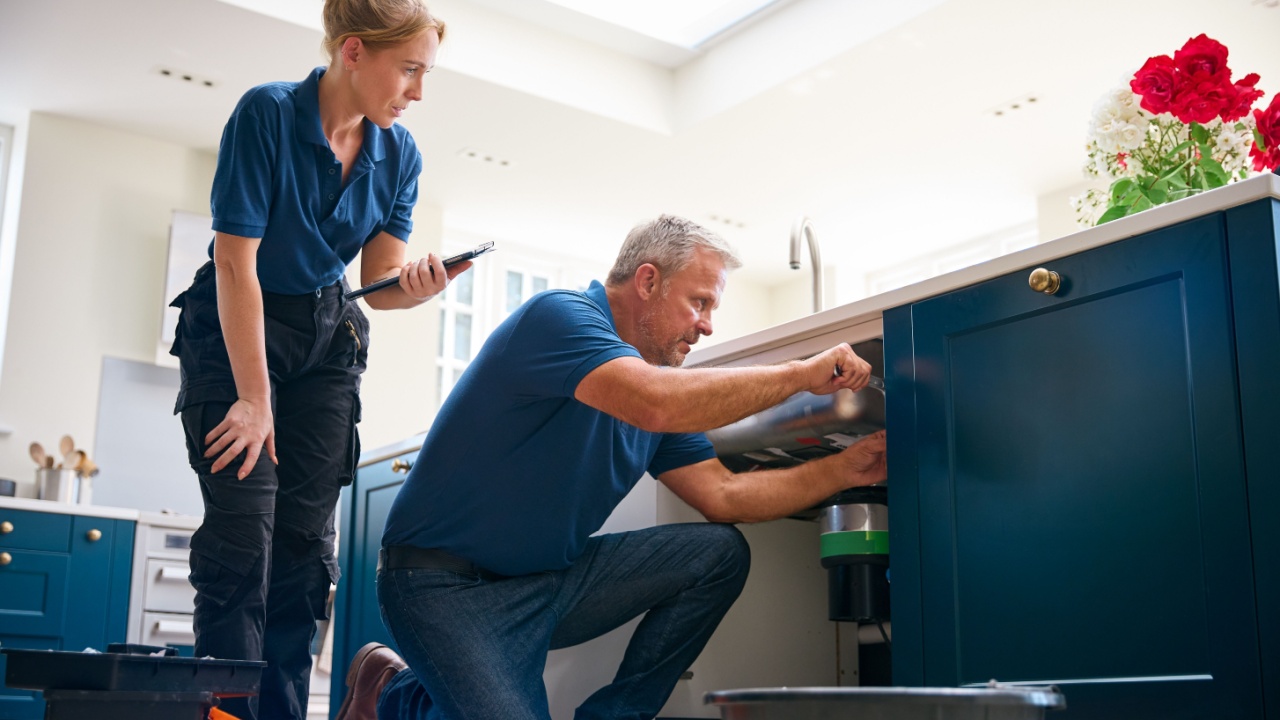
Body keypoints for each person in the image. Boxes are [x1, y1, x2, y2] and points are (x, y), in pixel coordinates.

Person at [336, 215, 888, 720]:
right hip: (441, 585)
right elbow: (656, 402)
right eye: (699, 303)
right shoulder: (559, 318)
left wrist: (844, 470)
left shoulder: (657, 380)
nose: (707, 326)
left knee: (718, 553)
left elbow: (722, 495)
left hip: (549, 584)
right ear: (647, 282)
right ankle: (389, 692)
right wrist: (799, 374)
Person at [167, 2, 461, 718]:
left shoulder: (401, 154)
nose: (419, 91)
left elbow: (379, 279)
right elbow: (236, 263)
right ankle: (226, 714)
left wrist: (418, 289)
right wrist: (254, 398)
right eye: (411, 69)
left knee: (303, 556)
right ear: (355, 52)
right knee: (243, 545)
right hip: (237, 329)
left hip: (329, 341)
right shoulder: (266, 115)